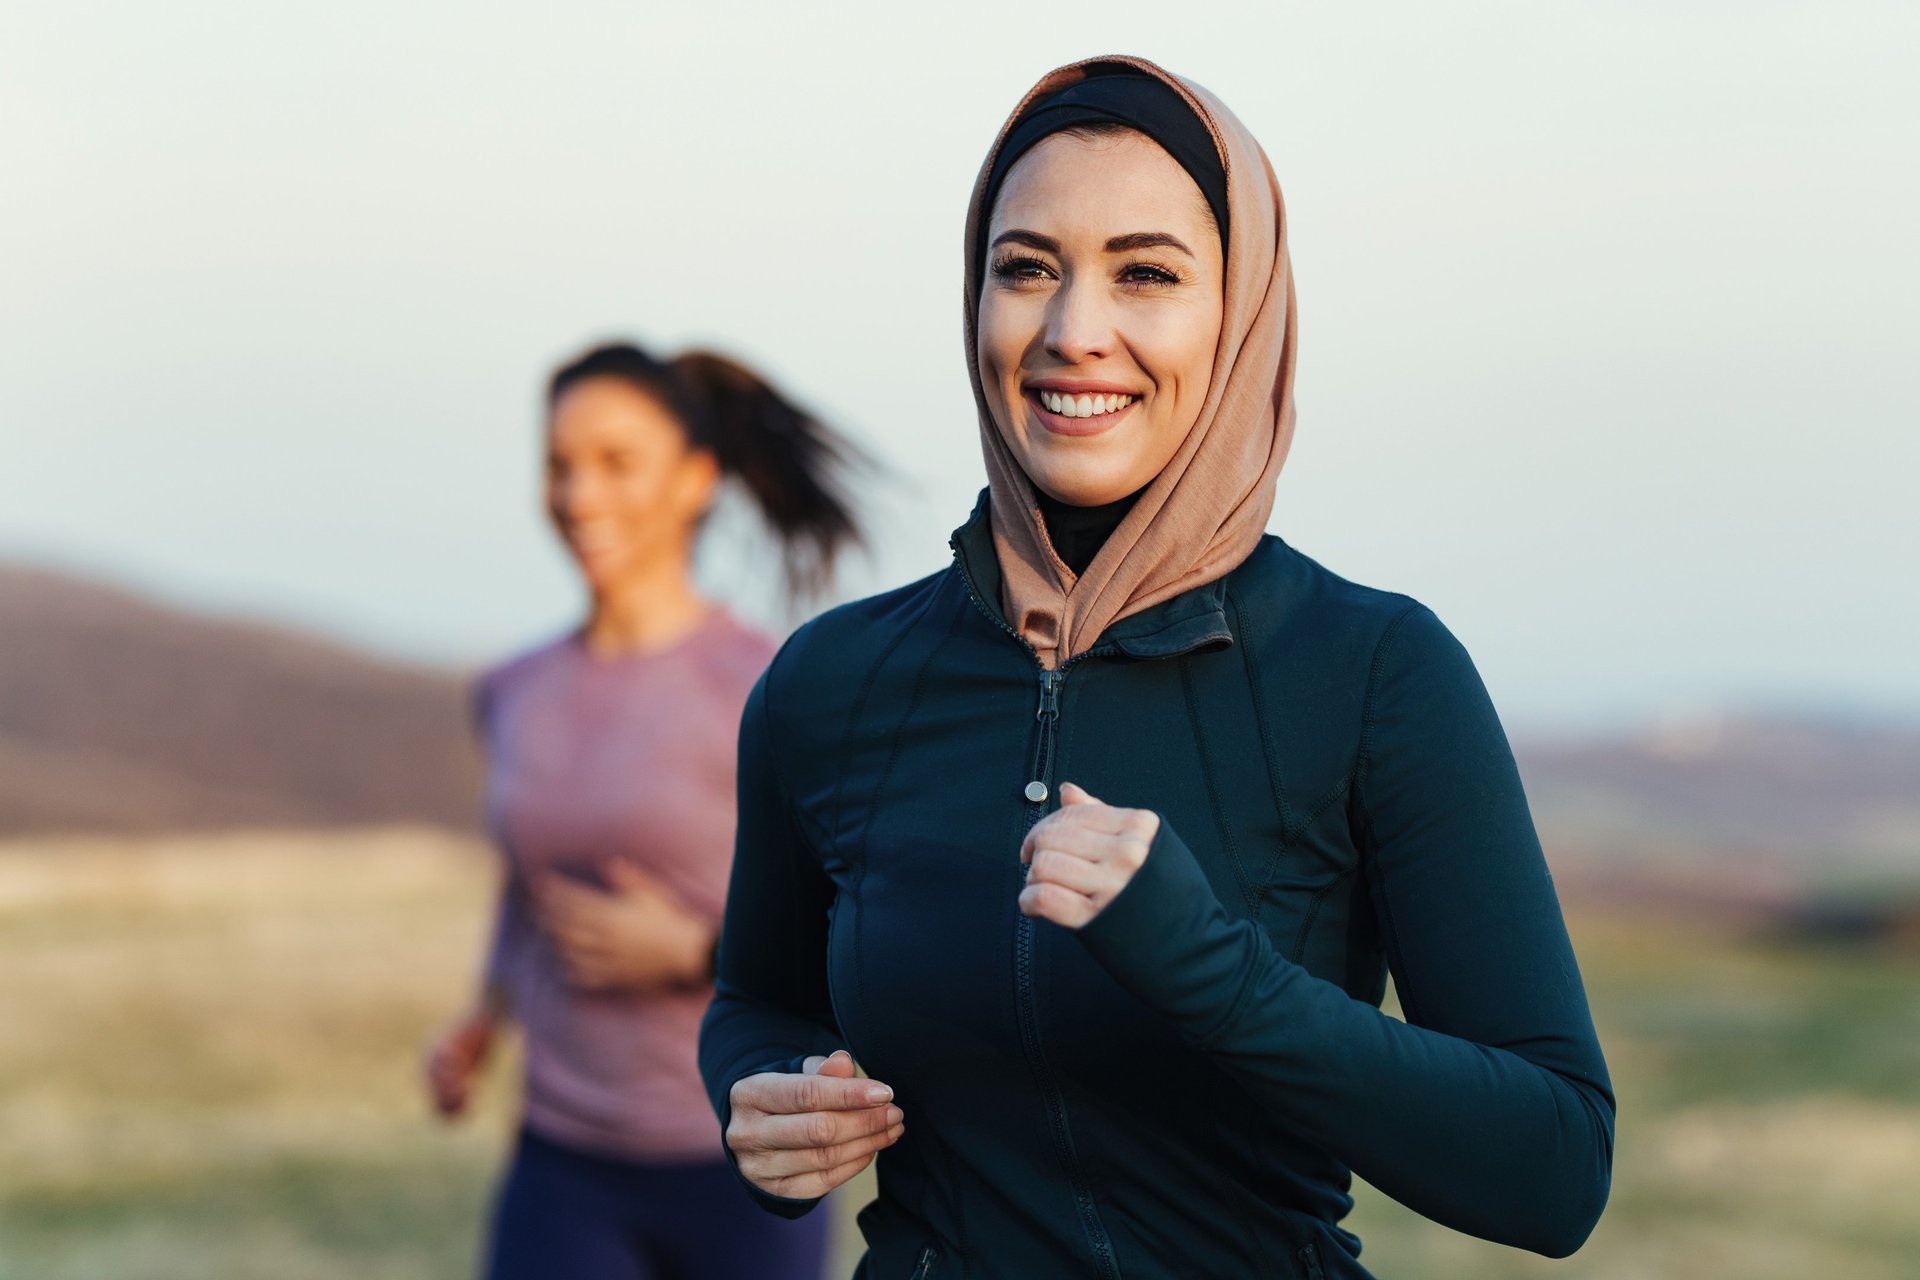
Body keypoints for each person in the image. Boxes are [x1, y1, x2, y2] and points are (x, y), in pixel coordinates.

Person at [699, 56, 1614, 1280]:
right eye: (1026, 268)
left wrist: (1212, 967)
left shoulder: (1375, 670)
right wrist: (765, 1102)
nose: (1076, 332)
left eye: (1147, 273)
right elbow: (752, 997)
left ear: (1239, 314)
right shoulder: (832, 682)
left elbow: (1554, 1168)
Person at [426, 341, 862, 1280]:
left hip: (745, 1156)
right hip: (562, 1160)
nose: (580, 494)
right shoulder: (512, 688)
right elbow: (526, 884)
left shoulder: (768, 688)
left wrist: (691, 955)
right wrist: (484, 1013)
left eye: (617, 462)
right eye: (560, 464)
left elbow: (854, 931)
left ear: (696, 479)